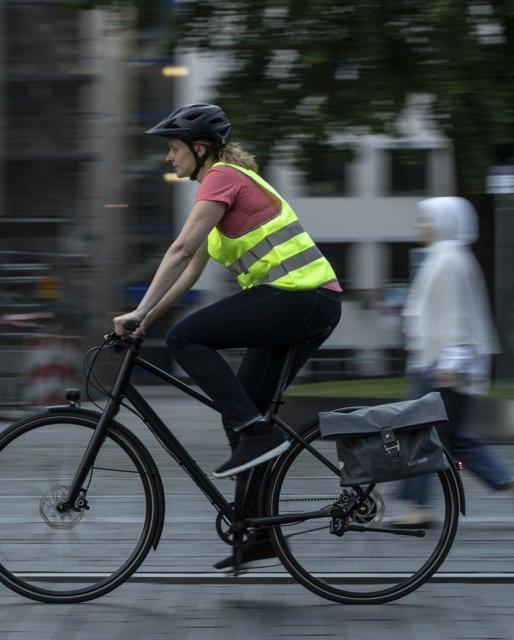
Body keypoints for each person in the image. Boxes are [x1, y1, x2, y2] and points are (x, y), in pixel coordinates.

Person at [112, 103, 343, 567]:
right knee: (239, 411)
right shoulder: (222, 192)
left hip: (301, 297)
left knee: (188, 340)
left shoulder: (222, 176)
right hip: (302, 303)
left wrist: (140, 310)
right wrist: (145, 320)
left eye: (174, 149)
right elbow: (189, 272)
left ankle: (255, 432)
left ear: (200, 149)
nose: (168, 158)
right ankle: (257, 533)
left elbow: (179, 249)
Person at [394, 196, 514, 526]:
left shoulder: (448, 260)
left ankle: (419, 507)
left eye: (425, 219)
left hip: (441, 366)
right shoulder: (448, 257)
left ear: (444, 222)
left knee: (418, 433)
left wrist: (451, 362)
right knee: (454, 437)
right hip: (442, 364)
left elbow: (458, 316)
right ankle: (513, 483)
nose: (419, 226)